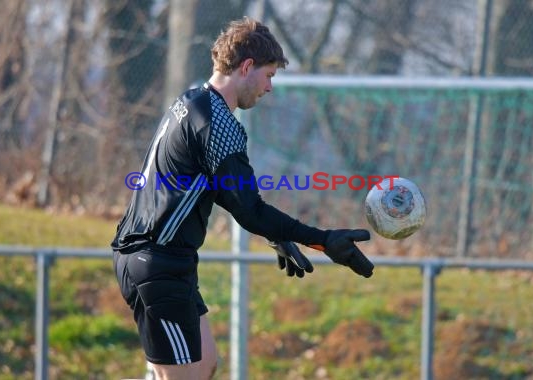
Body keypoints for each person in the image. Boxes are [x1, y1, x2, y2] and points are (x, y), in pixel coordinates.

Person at [112, 16, 374, 380]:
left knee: (204, 364)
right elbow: (250, 210)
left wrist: (276, 234)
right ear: (247, 67)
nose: (269, 88)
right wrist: (323, 240)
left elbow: (226, 194)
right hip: (157, 262)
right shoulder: (218, 124)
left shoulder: (192, 101)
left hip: (161, 260)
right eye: (268, 76)